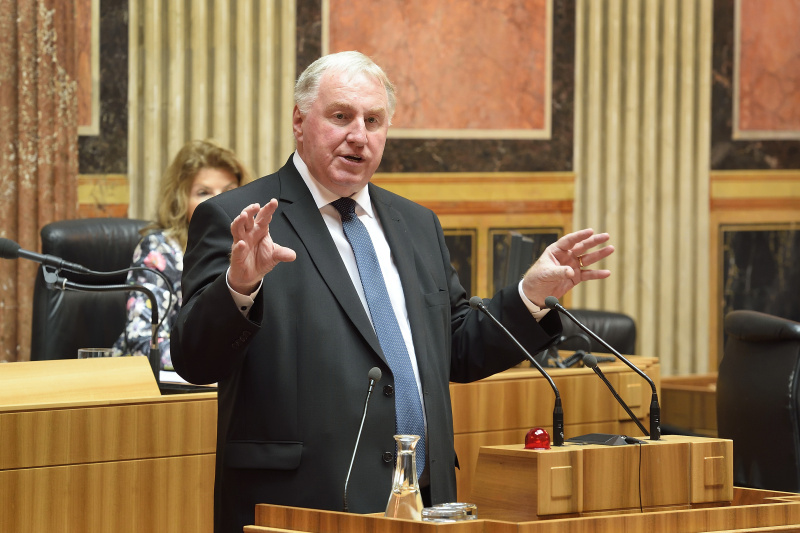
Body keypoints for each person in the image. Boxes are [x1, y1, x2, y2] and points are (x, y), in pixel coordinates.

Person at [171, 51, 614, 533]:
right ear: (299, 121)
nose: (358, 135)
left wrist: (530, 294)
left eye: (373, 120)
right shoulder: (240, 217)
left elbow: (456, 348)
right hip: (301, 506)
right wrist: (239, 286)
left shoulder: (417, 225)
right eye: (340, 116)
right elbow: (195, 361)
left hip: (423, 502)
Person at [111, 139, 250, 370]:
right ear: (180, 201)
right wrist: (215, 365)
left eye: (229, 191)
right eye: (203, 192)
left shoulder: (255, 252)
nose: (219, 201)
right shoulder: (159, 249)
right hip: (151, 384)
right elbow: (144, 343)